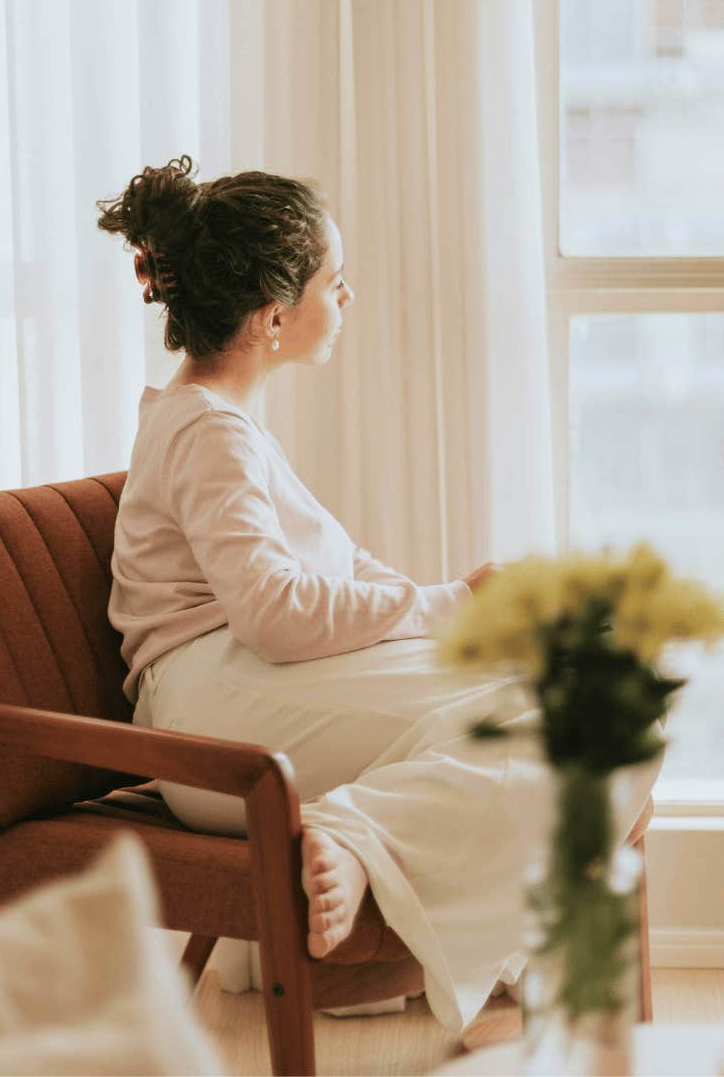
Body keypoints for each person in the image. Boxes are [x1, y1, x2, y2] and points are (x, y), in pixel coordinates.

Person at [99, 156, 659, 1033]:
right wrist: (450, 603)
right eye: (336, 281)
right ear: (274, 315)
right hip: (215, 715)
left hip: (247, 686)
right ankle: (360, 840)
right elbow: (274, 614)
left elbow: (334, 572)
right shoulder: (210, 433)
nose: (348, 297)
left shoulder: (218, 423)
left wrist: (468, 617)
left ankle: (396, 872)